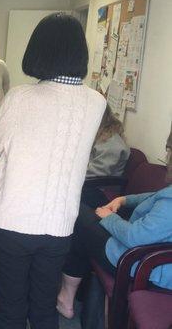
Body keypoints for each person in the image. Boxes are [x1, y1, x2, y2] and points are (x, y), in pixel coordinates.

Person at [0, 13, 106, 329]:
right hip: (59, 224)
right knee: (44, 310)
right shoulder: (96, 101)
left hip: (11, 219)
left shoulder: (21, 96)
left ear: (38, 51)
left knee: (10, 312)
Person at [57, 124, 172, 319]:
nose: (166, 157)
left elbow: (136, 237)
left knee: (80, 217)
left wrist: (109, 218)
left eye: (168, 151)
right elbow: (156, 196)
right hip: (147, 254)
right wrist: (125, 199)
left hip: (143, 265)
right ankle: (73, 294)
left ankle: (66, 298)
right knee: (85, 222)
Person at [81, 104, 130, 208]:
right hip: (92, 186)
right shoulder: (102, 136)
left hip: (102, 192)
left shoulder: (112, 144)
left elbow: (94, 175)